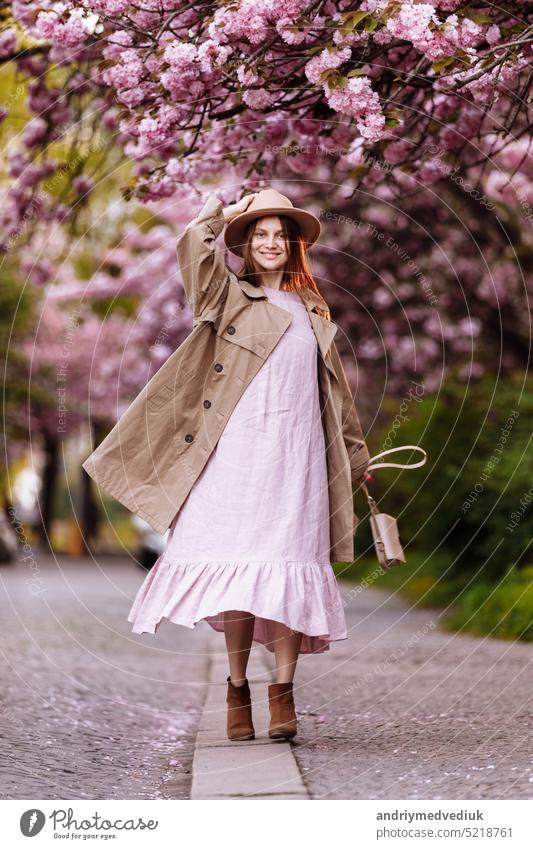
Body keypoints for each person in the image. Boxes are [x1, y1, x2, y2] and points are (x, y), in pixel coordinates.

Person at [125, 188, 370, 742]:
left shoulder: (314, 310)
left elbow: (335, 392)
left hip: (297, 460)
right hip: (233, 460)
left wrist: (355, 456)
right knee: (238, 574)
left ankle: (282, 692)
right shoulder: (226, 297)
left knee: (286, 568)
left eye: (279, 233)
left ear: (294, 244)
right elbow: (193, 245)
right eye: (259, 233)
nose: (270, 242)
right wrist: (227, 212)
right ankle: (238, 687)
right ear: (245, 242)